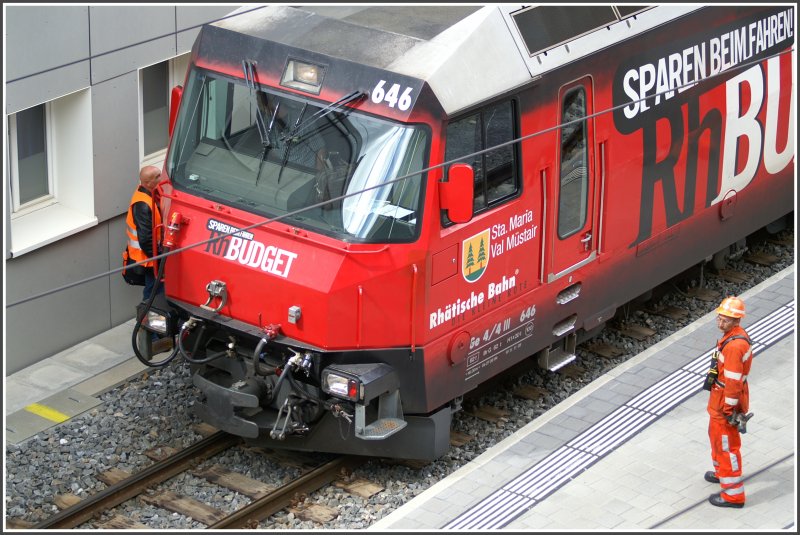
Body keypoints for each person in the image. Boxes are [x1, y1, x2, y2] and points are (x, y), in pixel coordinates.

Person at [705, 296, 752, 509]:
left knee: (726, 446)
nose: (720, 322)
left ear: (736, 321)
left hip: (725, 401)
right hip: (720, 398)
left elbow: (732, 381)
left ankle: (733, 496)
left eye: (725, 319)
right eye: (719, 317)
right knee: (716, 438)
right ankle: (721, 473)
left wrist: (729, 409)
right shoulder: (732, 337)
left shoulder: (734, 346)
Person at [125, 165, 164, 301]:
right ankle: (146, 315)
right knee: (154, 290)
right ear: (148, 183)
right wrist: (159, 259)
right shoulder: (142, 205)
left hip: (150, 256)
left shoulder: (146, 193)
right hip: (147, 259)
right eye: (157, 177)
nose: (162, 178)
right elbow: (146, 240)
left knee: (155, 288)